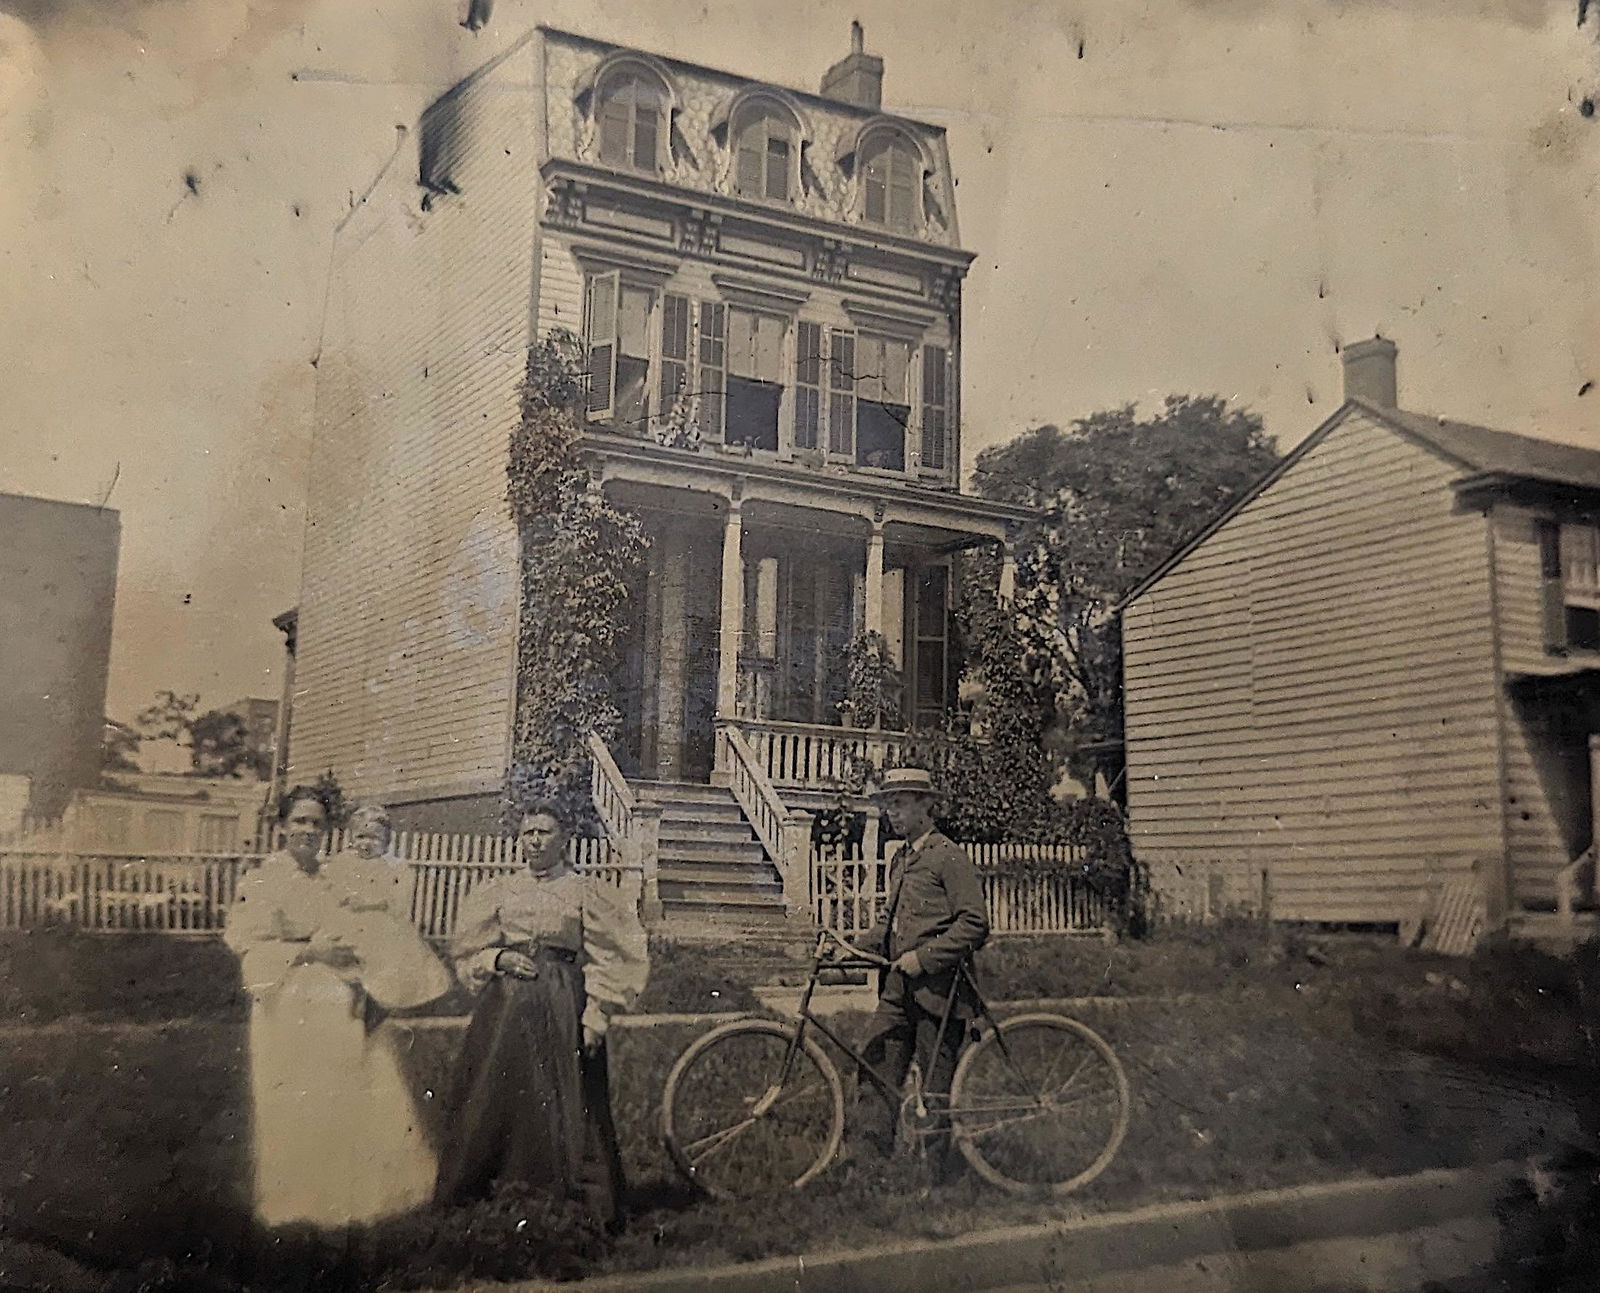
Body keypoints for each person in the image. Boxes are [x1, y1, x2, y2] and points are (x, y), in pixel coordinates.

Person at [223, 786, 449, 1230]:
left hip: (341, 999)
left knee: (350, 1095)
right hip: (288, 1001)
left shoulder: (337, 877)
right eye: (299, 822)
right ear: (282, 827)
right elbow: (248, 943)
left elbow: (370, 930)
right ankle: (298, 1206)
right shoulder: (264, 879)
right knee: (296, 1100)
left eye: (316, 823)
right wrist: (312, 951)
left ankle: (350, 1202)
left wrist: (373, 979)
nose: (308, 831)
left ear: (328, 830)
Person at [433, 799, 649, 1229]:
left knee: (568, 1098)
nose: (534, 841)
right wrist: (497, 959)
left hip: (563, 1001)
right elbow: (465, 950)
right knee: (496, 1094)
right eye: (528, 833)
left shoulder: (584, 891)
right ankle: (489, 1190)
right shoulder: (501, 890)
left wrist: (596, 1015)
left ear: (563, 838)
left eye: (544, 832)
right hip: (505, 1009)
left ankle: (565, 1198)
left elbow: (615, 956)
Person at [853, 767, 990, 1180]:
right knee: (875, 1062)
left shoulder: (948, 856)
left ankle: (939, 1180)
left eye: (901, 803)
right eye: (889, 804)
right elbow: (889, 922)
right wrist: (850, 946)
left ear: (926, 806)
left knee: (934, 1086)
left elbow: (975, 924)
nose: (893, 813)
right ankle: (869, 1167)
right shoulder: (901, 858)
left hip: (940, 990)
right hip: (897, 988)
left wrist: (925, 958)